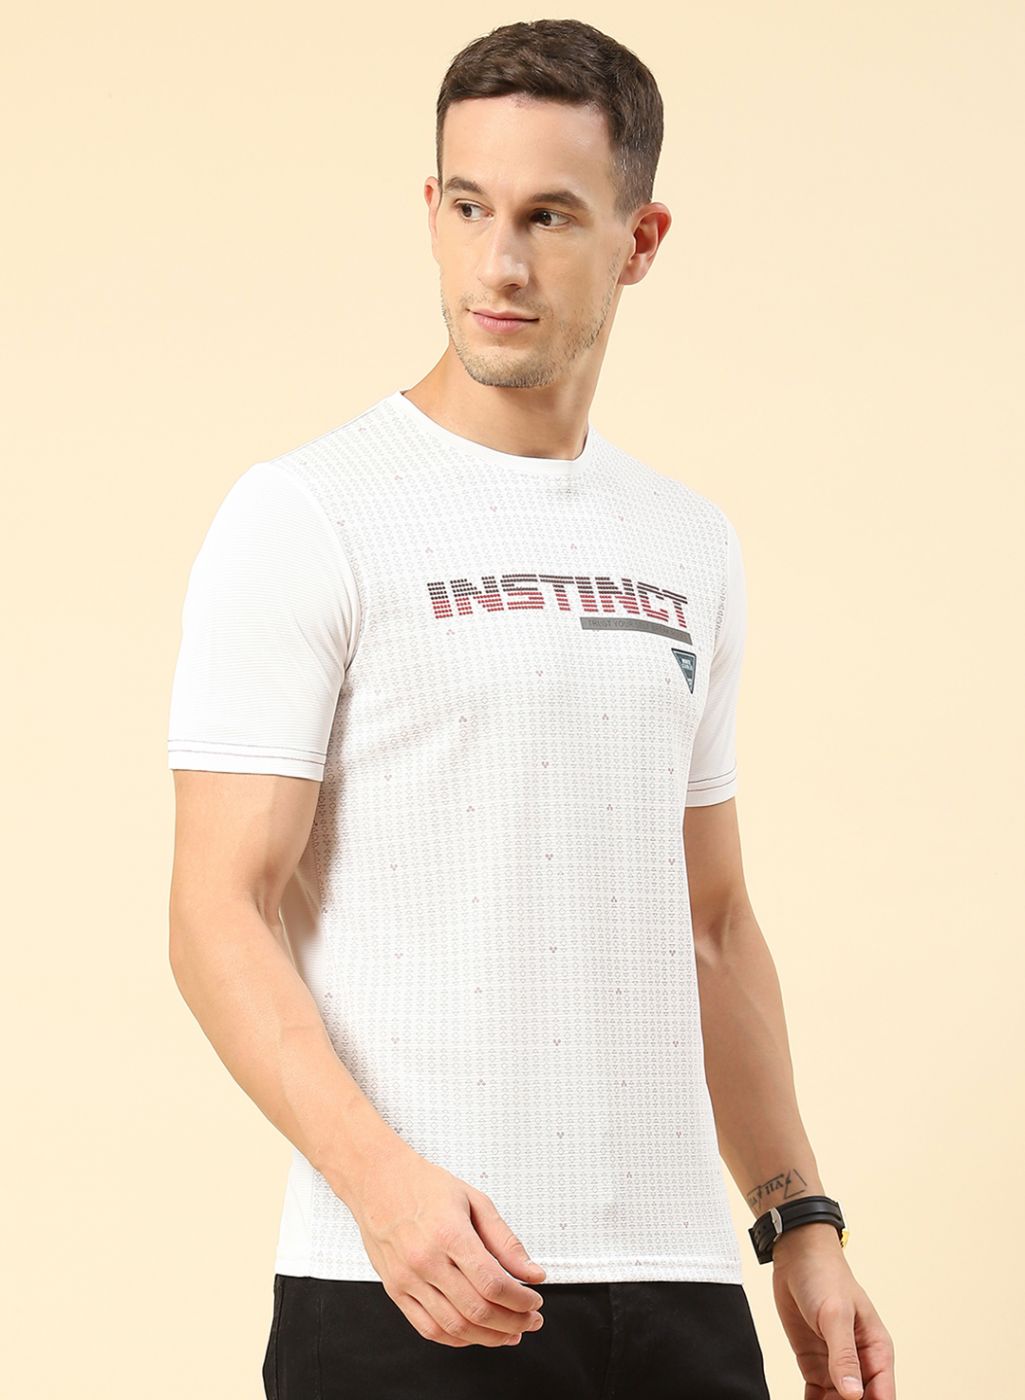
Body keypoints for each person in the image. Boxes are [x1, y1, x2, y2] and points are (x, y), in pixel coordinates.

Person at [166, 17, 896, 1400]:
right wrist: (383, 1188)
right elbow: (217, 910)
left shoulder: (688, 542)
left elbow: (711, 921)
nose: (497, 262)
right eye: (467, 208)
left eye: (549, 216)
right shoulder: (309, 514)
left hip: (676, 1288)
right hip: (411, 1285)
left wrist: (799, 1221)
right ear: (430, 211)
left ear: (640, 239)